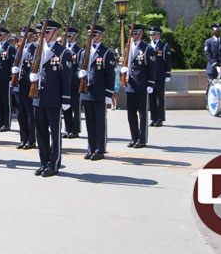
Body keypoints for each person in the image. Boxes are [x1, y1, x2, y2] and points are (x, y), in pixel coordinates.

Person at [29, 19, 72, 177]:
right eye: (41, 32)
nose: (43, 35)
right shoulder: (38, 50)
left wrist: (66, 99)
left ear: (55, 33)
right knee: (40, 132)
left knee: (54, 133)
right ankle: (43, 162)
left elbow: (66, 78)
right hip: (38, 97)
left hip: (54, 98)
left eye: (46, 32)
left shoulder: (63, 52)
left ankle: (53, 164)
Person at [78, 24, 115, 161]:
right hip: (86, 91)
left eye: (93, 35)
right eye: (90, 35)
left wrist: (108, 94)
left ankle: (100, 149)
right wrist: (80, 73)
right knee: (89, 122)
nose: (91, 38)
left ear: (100, 36)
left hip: (99, 92)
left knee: (100, 122)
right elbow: (79, 68)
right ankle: (91, 148)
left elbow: (110, 75)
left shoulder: (106, 52)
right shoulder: (84, 52)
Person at [121, 24, 155, 149]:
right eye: (131, 34)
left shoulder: (147, 49)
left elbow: (151, 68)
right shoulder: (127, 49)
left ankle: (142, 139)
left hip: (142, 85)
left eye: (135, 34)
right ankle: (133, 137)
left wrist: (151, 83)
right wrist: (123, 71)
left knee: (142, 114)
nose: (133, 36)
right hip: (130, 85)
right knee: (131, 114)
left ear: (141, 33)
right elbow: (125, 63)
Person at [11, 26, 38, 149]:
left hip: (28, 86)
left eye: (26, 36)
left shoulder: (35, 49)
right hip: (18, 86)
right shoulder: (19, 49)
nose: (24, 39)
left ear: (32, 37)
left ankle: (31, 140)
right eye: (22, 36)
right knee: (20, 114)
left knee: (29, 114)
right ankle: (23, 139)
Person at [0, 26, 16, 132]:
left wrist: (11, 79)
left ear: (6, 36)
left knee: (5, 101)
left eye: (0, 35)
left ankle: (6, 124)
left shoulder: (9, 48)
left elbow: (13, 63)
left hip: (5, 77)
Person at [148, 26, 172, 127]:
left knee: (160, 98)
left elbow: (168, 61)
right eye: (151, 34)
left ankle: (160, 118)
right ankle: (153, 118)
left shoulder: (164, 46)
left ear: (158, 35)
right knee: (151, 98)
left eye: (154, 34)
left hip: (160, 75)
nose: (152, 36)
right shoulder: (148, 46)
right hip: (150, 77)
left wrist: (168, 74)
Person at [62, 27, 82, 139]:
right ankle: (68, 128)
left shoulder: (79, 51)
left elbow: (79, 67)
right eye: (66, 36)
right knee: (66, 108)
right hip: (66, 84)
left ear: (75, 36)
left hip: (75, 84)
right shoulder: (63, 50)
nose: (67, 38)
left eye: (69, 36)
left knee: (76, 108)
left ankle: (75, 130)